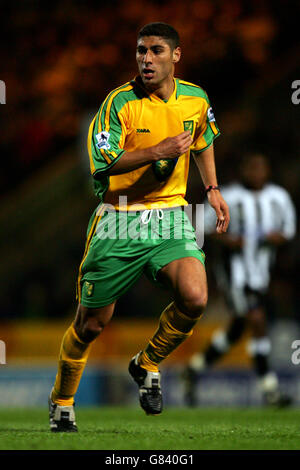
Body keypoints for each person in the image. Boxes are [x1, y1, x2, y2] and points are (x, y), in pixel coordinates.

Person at [48, 22, 229, 432]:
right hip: (120, 218)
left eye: (156, 51)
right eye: (141, 51)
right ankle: (62, 401)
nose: (146, 59)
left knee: (196, 297)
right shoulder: (119, 103)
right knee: (91, 324)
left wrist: (213, 188)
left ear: (175, 56)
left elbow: (203, 140)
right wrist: (158, 151)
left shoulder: (195, 100)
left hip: (171, 215)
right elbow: (102, 164)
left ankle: (146, 363)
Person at [183, 153, 296, 407]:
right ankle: (270, 389)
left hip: (261, 272)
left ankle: (194, 369)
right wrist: (227, 239)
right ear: (242, 170)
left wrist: (276, 237)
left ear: (267, 171)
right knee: (257, 319)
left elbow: (288, 230)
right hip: (234, 272)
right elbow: (202, 227)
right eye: (251, 167)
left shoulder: (278, 197)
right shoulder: (228, 197)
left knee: (238, 328)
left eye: (260, 168)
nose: (256, 173)